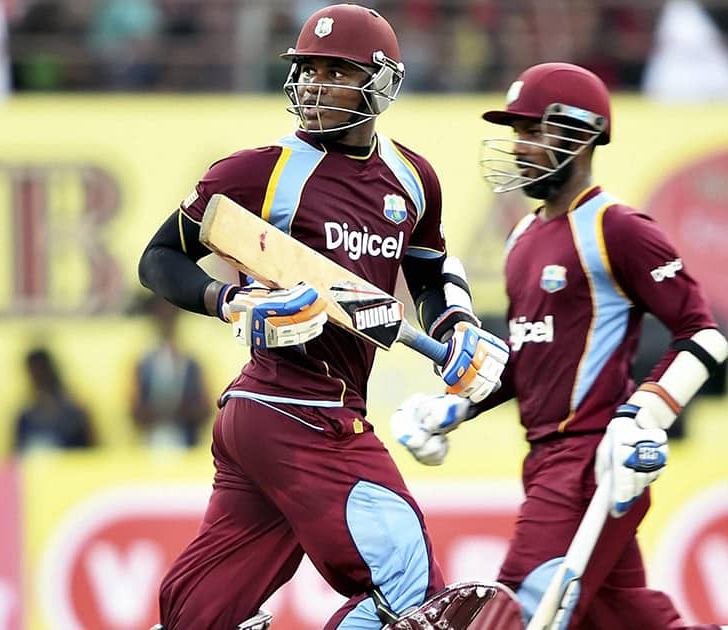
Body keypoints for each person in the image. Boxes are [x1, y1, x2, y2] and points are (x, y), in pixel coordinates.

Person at [390, 62, 728, 630]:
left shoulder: (615, 227)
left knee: (517, 613)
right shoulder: (523, 237)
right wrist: (452, 408)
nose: (519, 146)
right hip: (546, 459)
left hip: (592, 461)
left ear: (581, 132)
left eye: (532, 130)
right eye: (515, 132)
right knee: (634, 622)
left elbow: (703, 333)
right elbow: (530, 358)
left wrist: (640, 418)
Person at [137, 4, 509, 629]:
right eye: (307, 68)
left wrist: (457, 326)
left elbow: (429, 267)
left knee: (202, 612)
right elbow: (158, 259)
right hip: (297, 408)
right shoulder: (259, 172)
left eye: (334, 71)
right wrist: (231, 301)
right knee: (410, 586)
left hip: (269, 419)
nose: (312, 84)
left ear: (382, 81)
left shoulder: (414, 179)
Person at [130, 293, 210, 448]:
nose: (166, 319)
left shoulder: (192, 363)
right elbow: (135, 412)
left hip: (187, 441)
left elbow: (204, 409)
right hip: (151, 442)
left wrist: (170, 410)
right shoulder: (143, 364)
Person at [14, 347, 95, 453]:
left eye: (41, 371)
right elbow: (17, 452)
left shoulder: (75, 411)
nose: (37, 377)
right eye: (33, 373)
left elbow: (90, 450)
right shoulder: (26, 416)